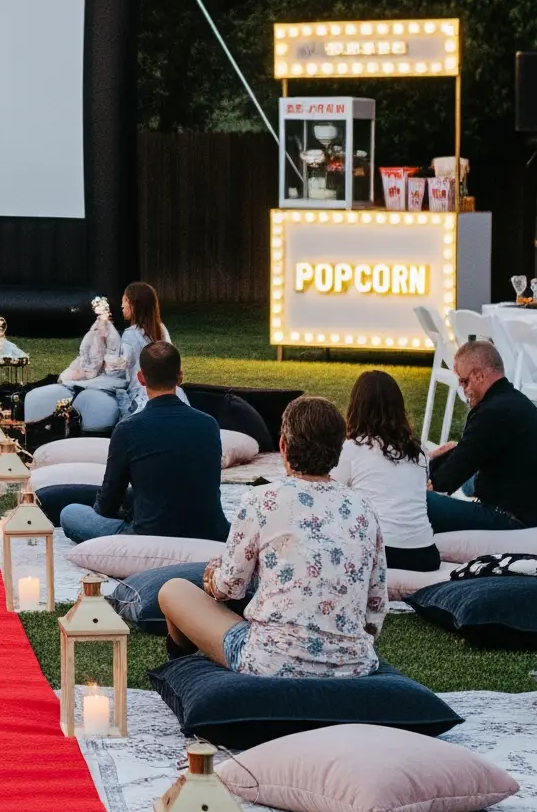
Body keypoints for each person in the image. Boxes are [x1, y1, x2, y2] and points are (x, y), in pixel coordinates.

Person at [158, 392, 386, 677]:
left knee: (173, 590)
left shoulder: (261, 500)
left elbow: (230, 587)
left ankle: (183, 665)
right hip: (355, 665)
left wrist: (212, 576)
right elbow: (376, 604)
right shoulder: (364, 507)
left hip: (270, 661)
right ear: (339, 451)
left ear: (283, 446)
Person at [49, 341, 230, 544]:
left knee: (70, 513)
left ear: (141, 378)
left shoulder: (128, 429)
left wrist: (107, 514)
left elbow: (109, 502)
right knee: (142, 494)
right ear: (180, 376)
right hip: (210, 531)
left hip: (148, 534)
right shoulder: (209, 424)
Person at [427, 339, 537, 532]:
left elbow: (451, 476)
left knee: (418, 502)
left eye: (464, 381)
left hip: (509, 516)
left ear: (478, 375)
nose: (463, 388)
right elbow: (468, 452)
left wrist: (428, 483)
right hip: (531, 508)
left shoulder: (490, 412)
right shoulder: (514, 400)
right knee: (461, 470)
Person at [24, 282, 170, 434]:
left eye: (124, 301)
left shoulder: (130, 335)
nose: (122, 306)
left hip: (138, 396)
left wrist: (81, 382)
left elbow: (119, 375)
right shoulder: (161, 330)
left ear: (132, 304)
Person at [333, 368, 440, 572]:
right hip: (425, 554)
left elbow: (330, 494)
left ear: (356, 407)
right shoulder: (419, 451)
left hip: (382, 552)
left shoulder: (351, 449)